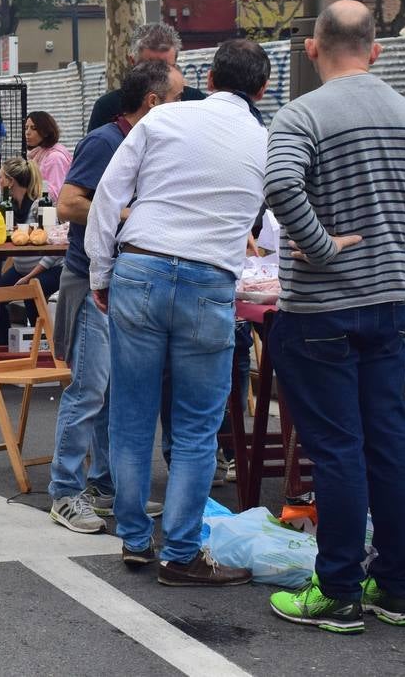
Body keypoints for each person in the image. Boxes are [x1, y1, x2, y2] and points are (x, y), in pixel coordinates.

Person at [262, 0, 405, 631]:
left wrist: (325, 246)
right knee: (389, 444)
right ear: (377, 49)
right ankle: (396, 586)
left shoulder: (301, 114)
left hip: (318, 310)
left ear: (312, 48)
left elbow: (280, 186)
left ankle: (336, 589)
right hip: (387, 304)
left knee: (337, 449)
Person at [86, 37, 273, 587]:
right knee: (195, 427)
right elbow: (275, 213)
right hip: (209, 281)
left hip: (139, 268)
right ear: (261, 89)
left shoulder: (161, 121)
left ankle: (135, 539)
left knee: (132, 414)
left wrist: (101, 272)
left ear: (207, 80)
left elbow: (106, 197)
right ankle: (182, 552)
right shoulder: (267, 141)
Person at [46, 60, 182, 533]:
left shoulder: (149, 141)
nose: (183, 107)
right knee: (88, 390)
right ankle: (65, 491)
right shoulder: (105, 141)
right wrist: (130, 216)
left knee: (113, 392)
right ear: (153, 101)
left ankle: (104, 488)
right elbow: (67, 203)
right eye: (177, 97)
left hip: (126, 283)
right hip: (91, 281)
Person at [0, 157, 63, 344]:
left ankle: (41, 347)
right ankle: (3, 348)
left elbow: (52, 251)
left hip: (51, 268)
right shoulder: (8, 206)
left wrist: (29, 276)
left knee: (32, 291)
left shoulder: (41, 206)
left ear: (10, 181)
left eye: (0, 177)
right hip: (22, 268)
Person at [87, 23, 207, 131]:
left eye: (165, 67)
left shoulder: (195, 103)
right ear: (132, 61)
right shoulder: (107, 107)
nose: (157, 75)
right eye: (149, 67)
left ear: (175, 65)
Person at [24, 111, 72, 200]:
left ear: (46, 132)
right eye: (26, 128)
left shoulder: (55, 158)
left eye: (33, 128)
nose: (27, 132)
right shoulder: (36, 155)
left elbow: (55, 194)